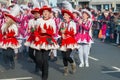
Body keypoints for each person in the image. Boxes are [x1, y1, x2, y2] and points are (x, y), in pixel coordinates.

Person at [30, 6, 59, 80]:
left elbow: (54, 32)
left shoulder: (52, 21)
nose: (45, 13)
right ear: (42, 13)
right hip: (39, 40)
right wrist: (36, 36)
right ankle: (43, 69)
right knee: (38, 58)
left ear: (49, 13)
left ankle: (45, 75)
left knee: (45, 59)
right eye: (44, 12)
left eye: (47, 12)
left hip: (48, 40)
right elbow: (35, 30)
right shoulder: (39, 20)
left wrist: (46, 31)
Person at [0, 5, 21, 69]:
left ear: (10, 19)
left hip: (11, 40)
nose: (5, 19)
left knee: (9, 53)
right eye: (5, 18)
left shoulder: (13, 25)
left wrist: (8, 35)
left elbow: (15, 33)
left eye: (7, 18)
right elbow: (1, 33)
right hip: (5, 41)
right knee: (4, 53)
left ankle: (12, 61)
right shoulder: (4, 25)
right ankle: (7, 61)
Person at [59, 9, 78, 76]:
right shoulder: (61, 23)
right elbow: (59, 32)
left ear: (69, 16)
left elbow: (74, 33)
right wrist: (61, 33)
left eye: (66, 15)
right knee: (64, 57)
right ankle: (66, 70)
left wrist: (65, 32)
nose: (64, 16)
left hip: (70, 41)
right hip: (63, 41)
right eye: (64, 15)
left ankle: (73, 64)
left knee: (67, 56)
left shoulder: (72, 23)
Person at [24, 7, 41, 72]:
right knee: (30, 53)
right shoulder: (30, 21)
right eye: (35, 13)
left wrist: (34, 30)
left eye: (37, 13)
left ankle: (37, 67)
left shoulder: (41, 20)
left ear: (39, 14)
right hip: (32, 38)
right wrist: (30, 30)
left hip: (38, 39)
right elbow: (29, 29)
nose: (36, 14)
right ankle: (37, 62)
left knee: (37, 54)